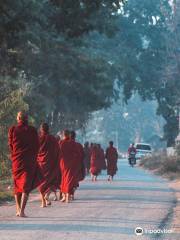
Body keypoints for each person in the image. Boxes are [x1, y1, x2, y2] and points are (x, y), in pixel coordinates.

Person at [8, 111, 41, 217]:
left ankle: (19, 210)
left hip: (17, 161)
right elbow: (37, 145)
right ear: (27, 119)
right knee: (25, 186)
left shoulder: (13, 129)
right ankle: (20, 210)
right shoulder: (32, 130)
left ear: (18, 118)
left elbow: (11, 145)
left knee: (18, 185)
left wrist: (15, 155)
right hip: (28, 161)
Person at [37, 123, 60, 207]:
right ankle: (47, 196)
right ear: (48, 129)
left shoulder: (39, 138)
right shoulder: (53, 139)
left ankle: (43, 202)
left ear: (41, 130)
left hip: (41, 163)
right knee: (51, 182)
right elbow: (58, 150)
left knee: (41, 183)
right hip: (51, 163)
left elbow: (36, 150)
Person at [59, 129, 83, 203]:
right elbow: (79, 154)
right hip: (72, 163)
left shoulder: (61, 142)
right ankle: (67, 196)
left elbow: (57, 153)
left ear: (63, 135)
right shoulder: (73, 143)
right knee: (69, 179)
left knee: (64, 179)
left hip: (63, 163)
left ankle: (65, 195)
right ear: (68, 135)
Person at [69, 131, 85, 200]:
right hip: (76, 166)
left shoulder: (64, 144)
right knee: (75, 181)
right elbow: (83, 155)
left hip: (68, 166)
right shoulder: (78, 145)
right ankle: (72, 194)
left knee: (68, 179)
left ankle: (69, 194)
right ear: (75, 136)